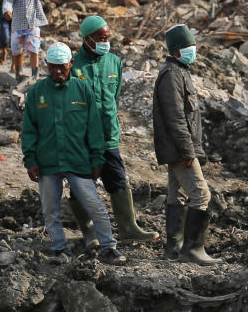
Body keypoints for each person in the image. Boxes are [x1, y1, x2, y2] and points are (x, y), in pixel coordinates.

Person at [21, 42, 126, 265]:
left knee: (94, 205)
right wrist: (30, 160)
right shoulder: (37, 92)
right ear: (46, 65)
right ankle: (60, 249)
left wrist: (98, 158)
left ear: (70, 64)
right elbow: (29, 129)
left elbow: (94, 128)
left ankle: (108, 247)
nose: (57, 72)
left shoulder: (83, 90)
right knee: (50, 209)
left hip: (78, 161)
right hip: (48, 162)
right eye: (53, 67)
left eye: (62, 67)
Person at [67, 14, 159, 247]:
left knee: (117, 179)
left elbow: (114, 96)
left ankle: (128, 227)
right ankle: (88, 231)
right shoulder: (73, 66)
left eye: (107, 37)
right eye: (100, 38)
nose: (105, 42)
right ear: (87, 39)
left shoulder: (114, 62)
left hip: (108, 135)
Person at [151, 24, 219, 266]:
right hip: (180, 148)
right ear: (177, 51)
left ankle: (174, 247)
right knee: (201, 195)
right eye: (190, 47)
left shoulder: (180, 71)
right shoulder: (171, 75)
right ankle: (193, 250)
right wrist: (187, 150)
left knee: (177, 194)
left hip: (178, 147)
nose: (194, 51)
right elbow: (175, 116)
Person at [2, 0, 47, 82]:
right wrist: (7, 10)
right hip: (17, 24)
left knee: (34, 49)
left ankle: (34, 75)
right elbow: (8, 0)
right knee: (17, 51)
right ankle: (19, 73)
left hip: (33, 24)